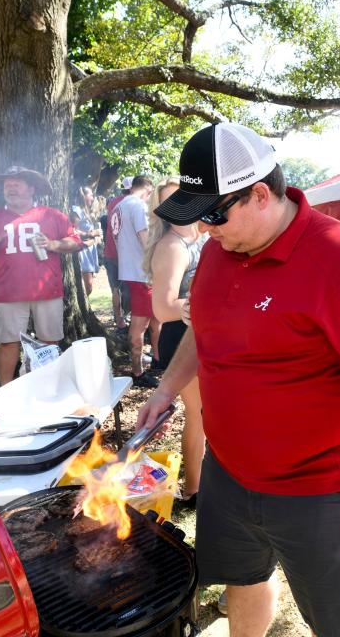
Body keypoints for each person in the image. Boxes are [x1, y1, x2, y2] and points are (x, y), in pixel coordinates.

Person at [137, 122, 340, 637]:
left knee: (334, 622)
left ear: (260, 194)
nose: (205, 229)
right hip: (227, 474)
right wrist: (168, 387)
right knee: (242, 582)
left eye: (214, 214)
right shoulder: (222, 247)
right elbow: (203, 326)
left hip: (315, 490)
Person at [0, 166, 82, 386]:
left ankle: (48, 386)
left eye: (16, 184)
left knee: (49, 342)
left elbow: (76, 243)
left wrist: (53, 244)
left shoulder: (52, 215)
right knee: (8, 342)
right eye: (7, 185)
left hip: (47, 290)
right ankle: (6, 389)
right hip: (9, 292)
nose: (10, 188)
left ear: (31, 189)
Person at [143, 176, 206, 505]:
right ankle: (194, 489)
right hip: (181, 339)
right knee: (198, 415)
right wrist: (212, 303)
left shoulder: (198, 236)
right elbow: (163, 308)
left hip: (199, 335)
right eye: (171, 202)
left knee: (206, 415)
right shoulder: (171, 246)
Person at [115, 174, 162, 388]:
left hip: (130, 271)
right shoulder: (137, 205)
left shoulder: (119, 205)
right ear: (149, 189)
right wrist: (159, 262)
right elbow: (145, 239)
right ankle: (137, 372)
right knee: (139, 325)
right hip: (141, 272)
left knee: (154, 319)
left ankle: (158, 360)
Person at [104, 178, 132, 333]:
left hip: (110, 253)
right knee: (128, 290)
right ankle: (126, 319)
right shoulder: (133, 203)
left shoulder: (112, 202)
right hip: (125, 255)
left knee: (115, 289)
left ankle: (119, 321)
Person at [71, 186, 103, 296]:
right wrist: (91, 233)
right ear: (83, 196)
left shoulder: (85, 211)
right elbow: (73, 231)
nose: (93, 198)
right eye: (91, 195)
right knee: (88, 286)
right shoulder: (76, 210)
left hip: (89, 250)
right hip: (82, 251)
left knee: (89, 286)